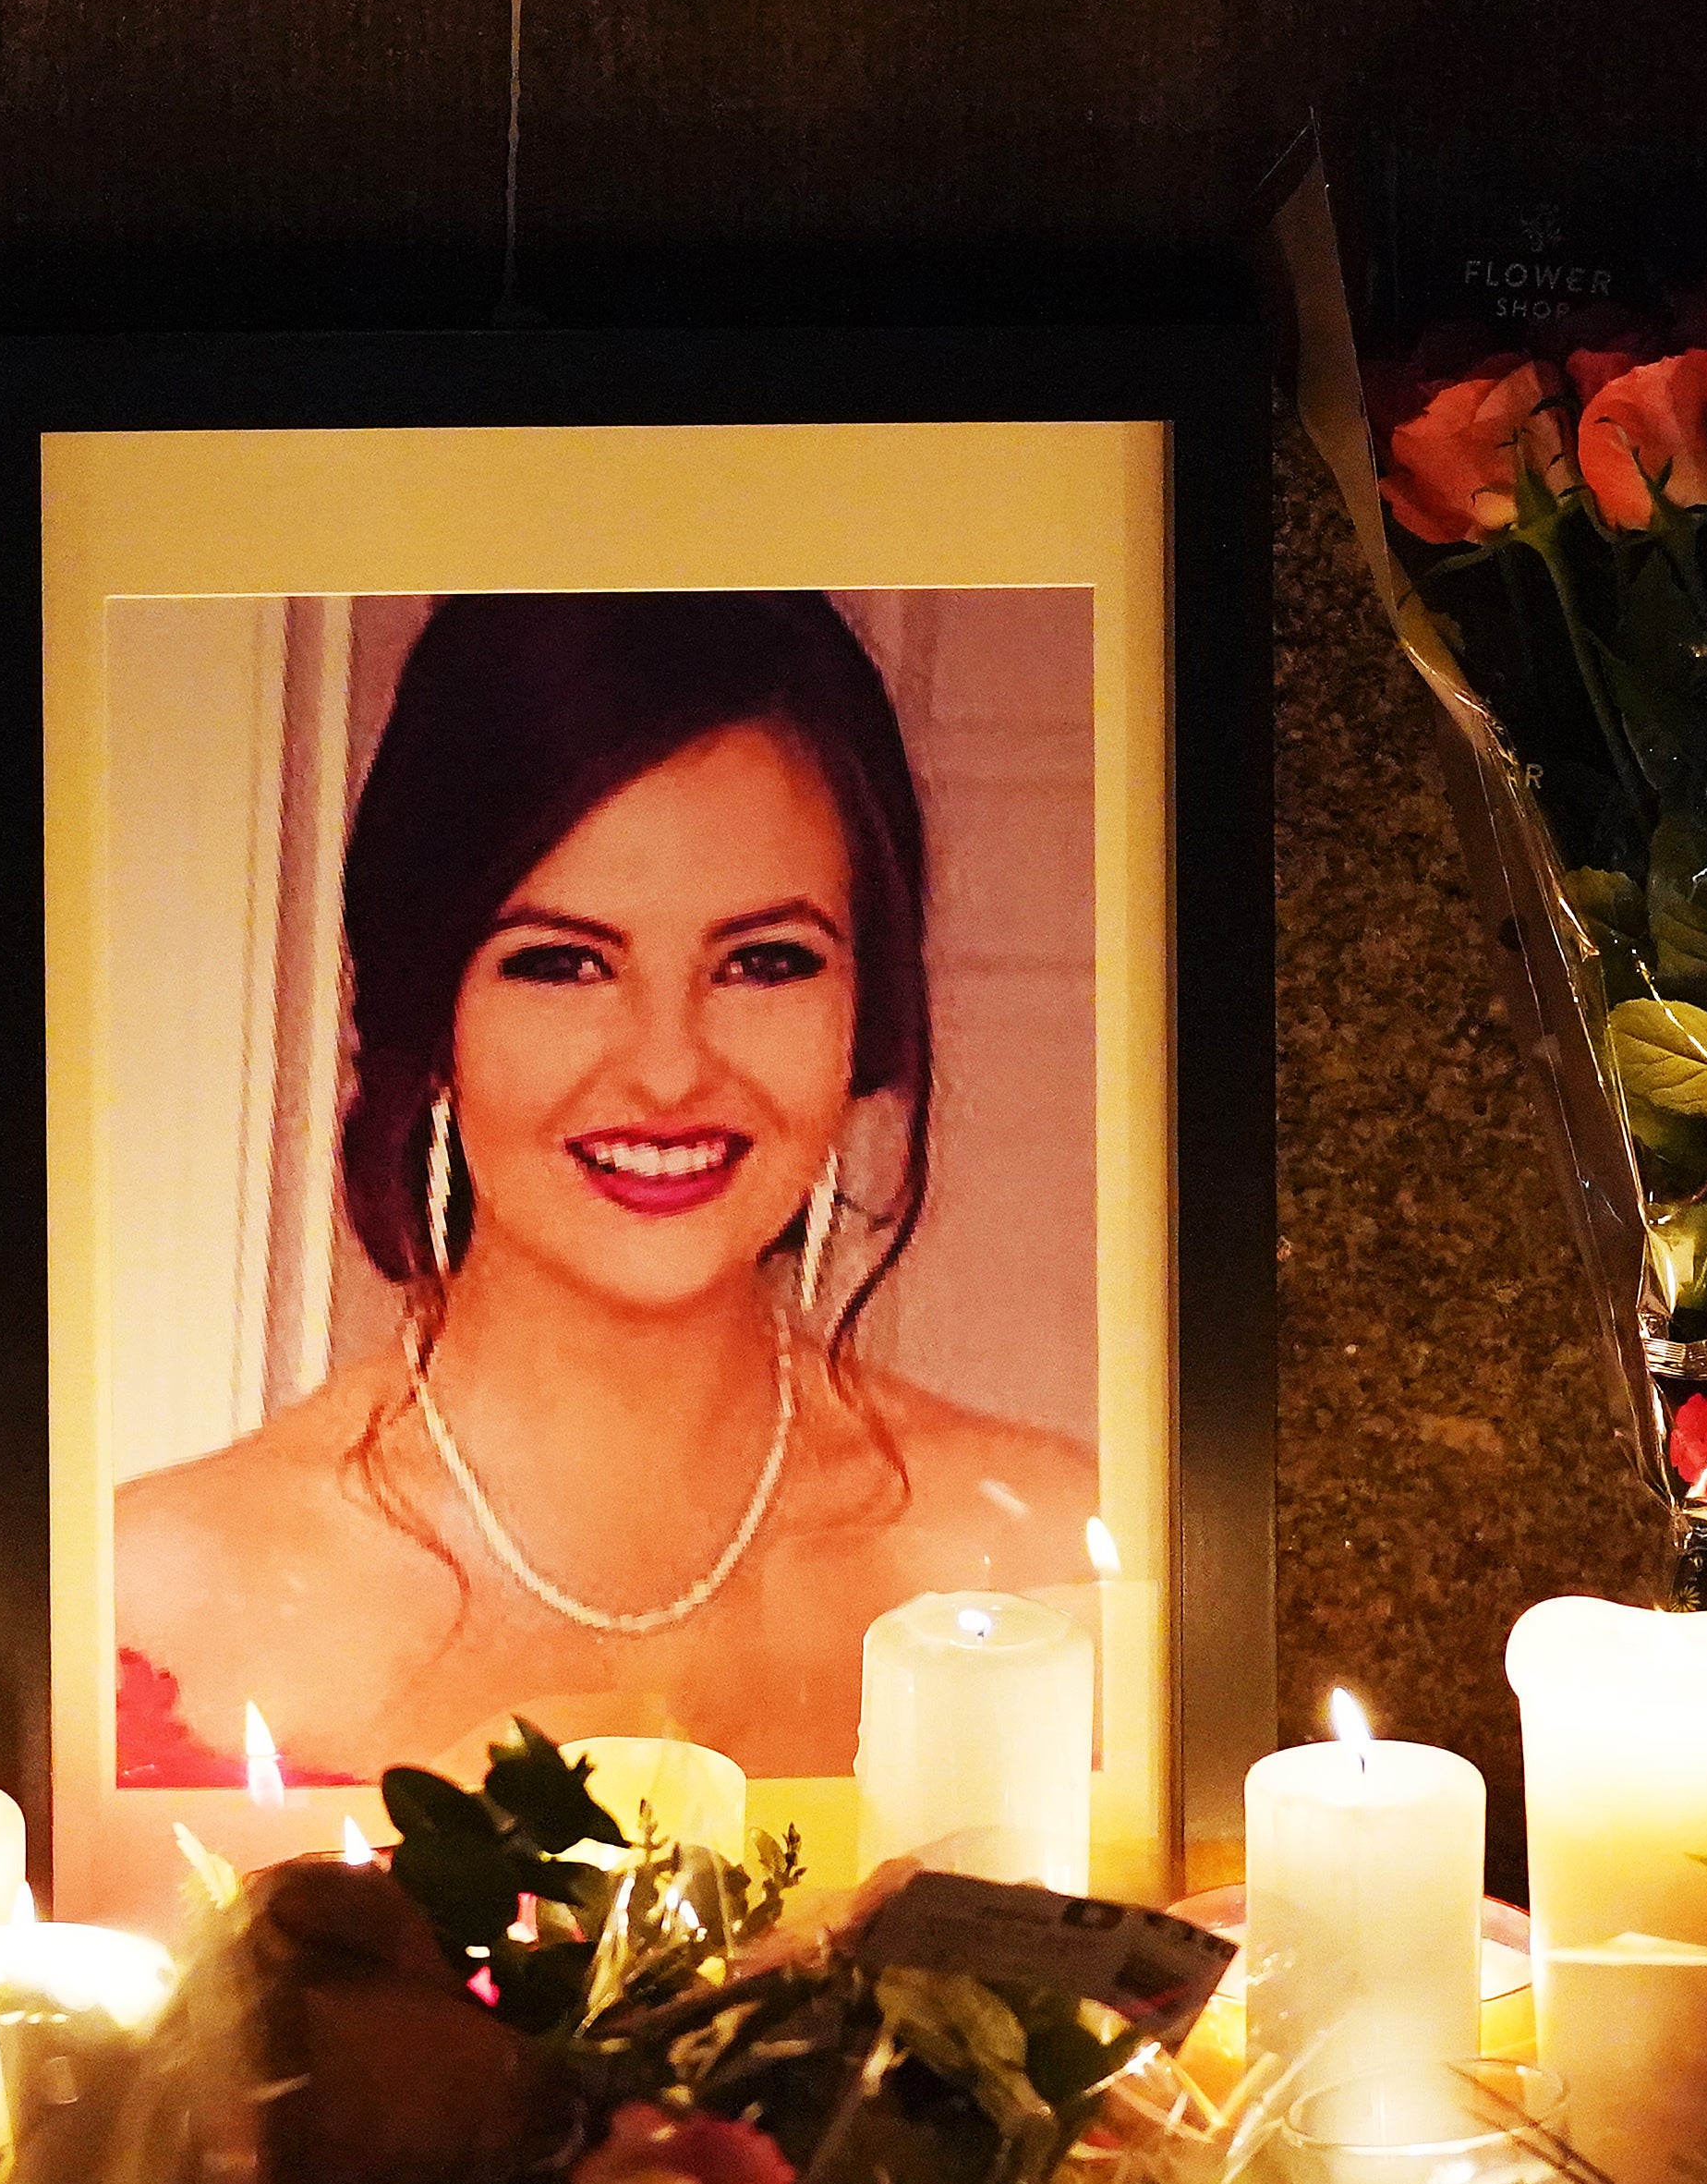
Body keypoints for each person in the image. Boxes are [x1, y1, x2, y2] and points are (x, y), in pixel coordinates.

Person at [115, 593, 1094, 1784]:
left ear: (863, 1014)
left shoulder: (1060, 1563)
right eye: (563, 963)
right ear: (432, 1023)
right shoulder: (145, 1600)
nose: (670, 1069)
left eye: (764, 962)